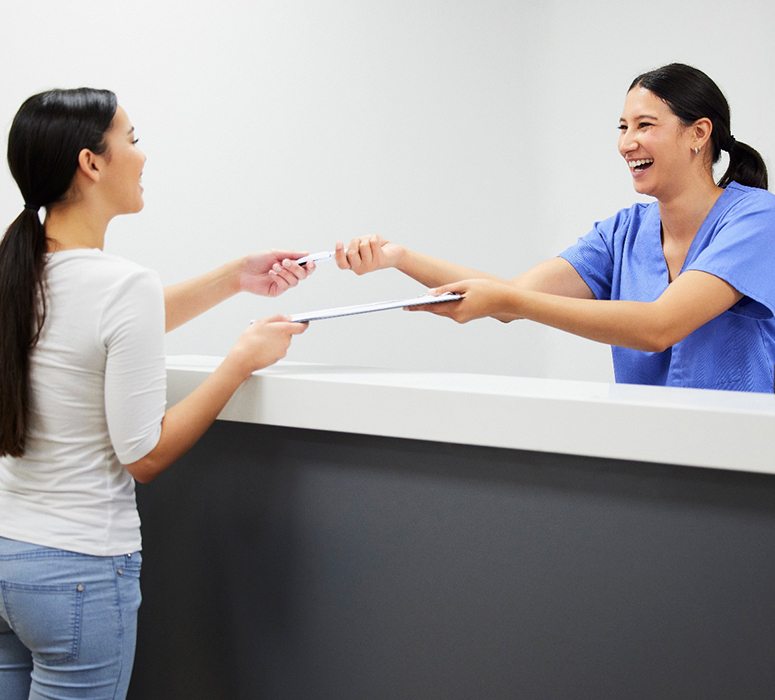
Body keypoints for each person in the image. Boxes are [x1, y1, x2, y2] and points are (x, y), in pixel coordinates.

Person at [0, 88, 311, 698]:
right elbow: (143, 455)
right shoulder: (121, 285)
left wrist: (233, 278)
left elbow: (103, 330)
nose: (143, 156)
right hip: (79, 573)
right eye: (132, 140)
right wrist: (239, 363)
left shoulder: (18, 274)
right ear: (92, 162)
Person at [335, 63, 775, 393]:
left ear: (699, 133)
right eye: (623, 127)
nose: (626, 143)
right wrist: (399, 257)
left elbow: (658, 326)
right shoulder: (621, 233)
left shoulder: (755, 219)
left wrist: (510, 300)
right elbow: (511, 299)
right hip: (650, 453)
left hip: (742, 458)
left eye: (645, 125)